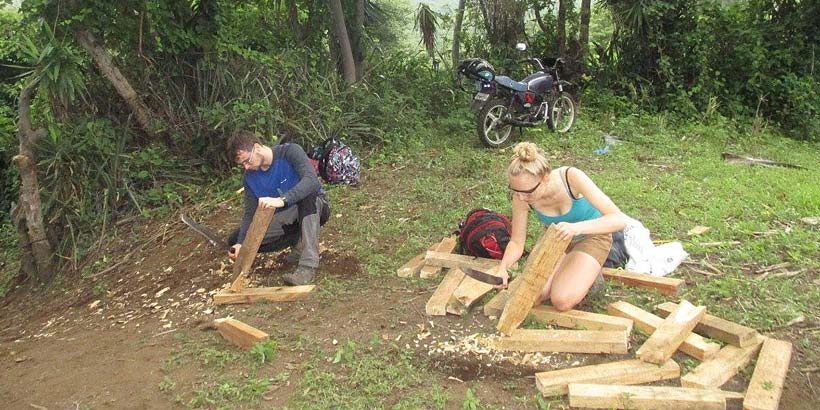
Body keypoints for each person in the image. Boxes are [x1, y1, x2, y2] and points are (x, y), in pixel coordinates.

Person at [496, 142, 626, 311]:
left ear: (545, 179)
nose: (521, 197)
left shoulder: (571, 178)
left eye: (528, 192)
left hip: (592, 236)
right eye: (515, 191)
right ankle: (570, 267)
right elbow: (516, 242)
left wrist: (577, 228)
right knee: (532, 295)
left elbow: (619, 220)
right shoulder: (521, 195)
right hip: (556, 238)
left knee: (561, 300)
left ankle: (588, 273)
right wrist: (503, 268)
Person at [226, 131, 330, 285]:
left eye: (247, 161)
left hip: (314, 207)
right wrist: (241, 244)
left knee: (308, 196)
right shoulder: (250, 179)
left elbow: (311, 181)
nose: (246, 167)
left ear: (257, 148)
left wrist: (282, 200)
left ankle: (307, 266)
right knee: (234, 238)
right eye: (242, 165)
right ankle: (298, 241)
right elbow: (250, 213)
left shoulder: (290, 152)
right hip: (286, 220)